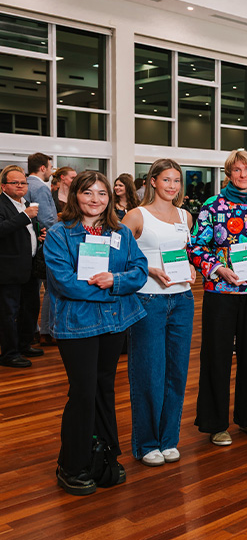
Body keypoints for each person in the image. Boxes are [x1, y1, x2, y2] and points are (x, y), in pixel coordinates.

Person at [43, 170, 148, 495]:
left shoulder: (120, 232)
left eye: (102, 193)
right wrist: (112, 288)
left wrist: (115, 281)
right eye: (88, 192)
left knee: (104, 389)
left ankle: (104, 455)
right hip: (77, 325)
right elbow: (62, 282)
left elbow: (139, 270)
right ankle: (72, 464)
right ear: (75, 195)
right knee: (83, 392)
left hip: (115, 323)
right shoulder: (61, 234)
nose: (95, 199)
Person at [187, 150, 247, 446]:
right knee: (216, 356)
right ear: (229, 174)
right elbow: (196, 246)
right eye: (236, 170)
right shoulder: (212, 206)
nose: (242, 175)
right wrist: (217, 268)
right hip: (221, 291)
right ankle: (215, 423)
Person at [122, 159, 196, 467]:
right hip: (148, 300)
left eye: (177, 181)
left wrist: (191, 267)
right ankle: (147, 442)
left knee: (177, 372)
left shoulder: (185, 216)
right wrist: (147, 268)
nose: (172, 186)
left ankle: (168, 439)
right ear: (153, 181)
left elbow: (188, 254)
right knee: (149, 372)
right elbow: (120, 259)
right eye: (166, 180)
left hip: (182, 300)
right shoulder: (136, 215)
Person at [0, 166, 43, 368]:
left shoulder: (25, 203)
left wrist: (39, 232)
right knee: (9, 313)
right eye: (14, 182)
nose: (20, 185)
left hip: (29, 267)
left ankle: (24, 345)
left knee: (30, 308)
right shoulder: (2, 205)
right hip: (8, 269)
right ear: (3, 186)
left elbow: (28, 230)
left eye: (23, 182)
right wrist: (25, 216)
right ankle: (9, 353)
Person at [26, 153, 59, 347]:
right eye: (50, 167)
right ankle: (46, 331)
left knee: (32, 290)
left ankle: (34, 330)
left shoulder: (26, 185)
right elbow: (47, 218)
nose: (51, 172)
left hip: (31, 244)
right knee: (49, 289)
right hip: (43, 244)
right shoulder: (40, 187)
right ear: (42, 168)